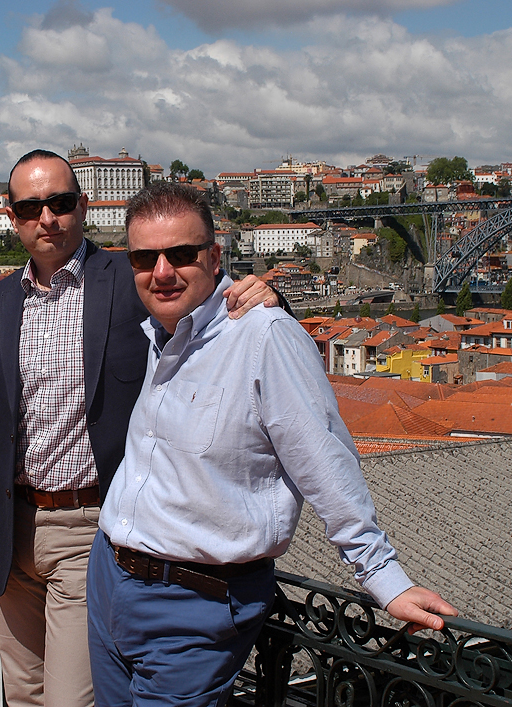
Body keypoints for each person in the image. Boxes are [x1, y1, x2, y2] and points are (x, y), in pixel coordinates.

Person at [87, 182, 458, 707]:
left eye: (181, 254)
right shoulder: (155, 330)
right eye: (145, 257)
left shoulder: (265, 337)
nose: (162, 271)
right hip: (109, 579)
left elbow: (325, 461)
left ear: (215, 257)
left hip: (194, 602)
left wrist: (384, 577)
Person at [0, 150, 279, 707]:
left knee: (69, 702)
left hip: (90, 527)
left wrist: (270, 299)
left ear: (82, 206)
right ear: (12, 218)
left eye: (60, 203)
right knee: (23, 695)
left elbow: (213, 308)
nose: (47, 218)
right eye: (31, 208)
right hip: (13, 532)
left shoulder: (132, 278)